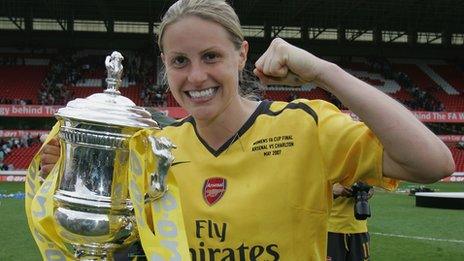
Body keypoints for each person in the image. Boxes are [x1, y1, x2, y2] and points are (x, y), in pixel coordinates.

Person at [38, 0, 454, 260]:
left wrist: (325, 72)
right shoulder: (155, 148)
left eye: (211, 56)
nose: (196, 76)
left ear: (241, 55)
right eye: (179, 61)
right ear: (164, 65)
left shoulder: (306, 126)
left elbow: (432, 163)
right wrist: (69, 168)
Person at [327, 183, 373, 261]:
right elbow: (311, 193)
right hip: (332, 229)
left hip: (359, 228)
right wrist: (331, 191)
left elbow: (371, 190)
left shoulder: (361, 170)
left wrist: (366, 192)